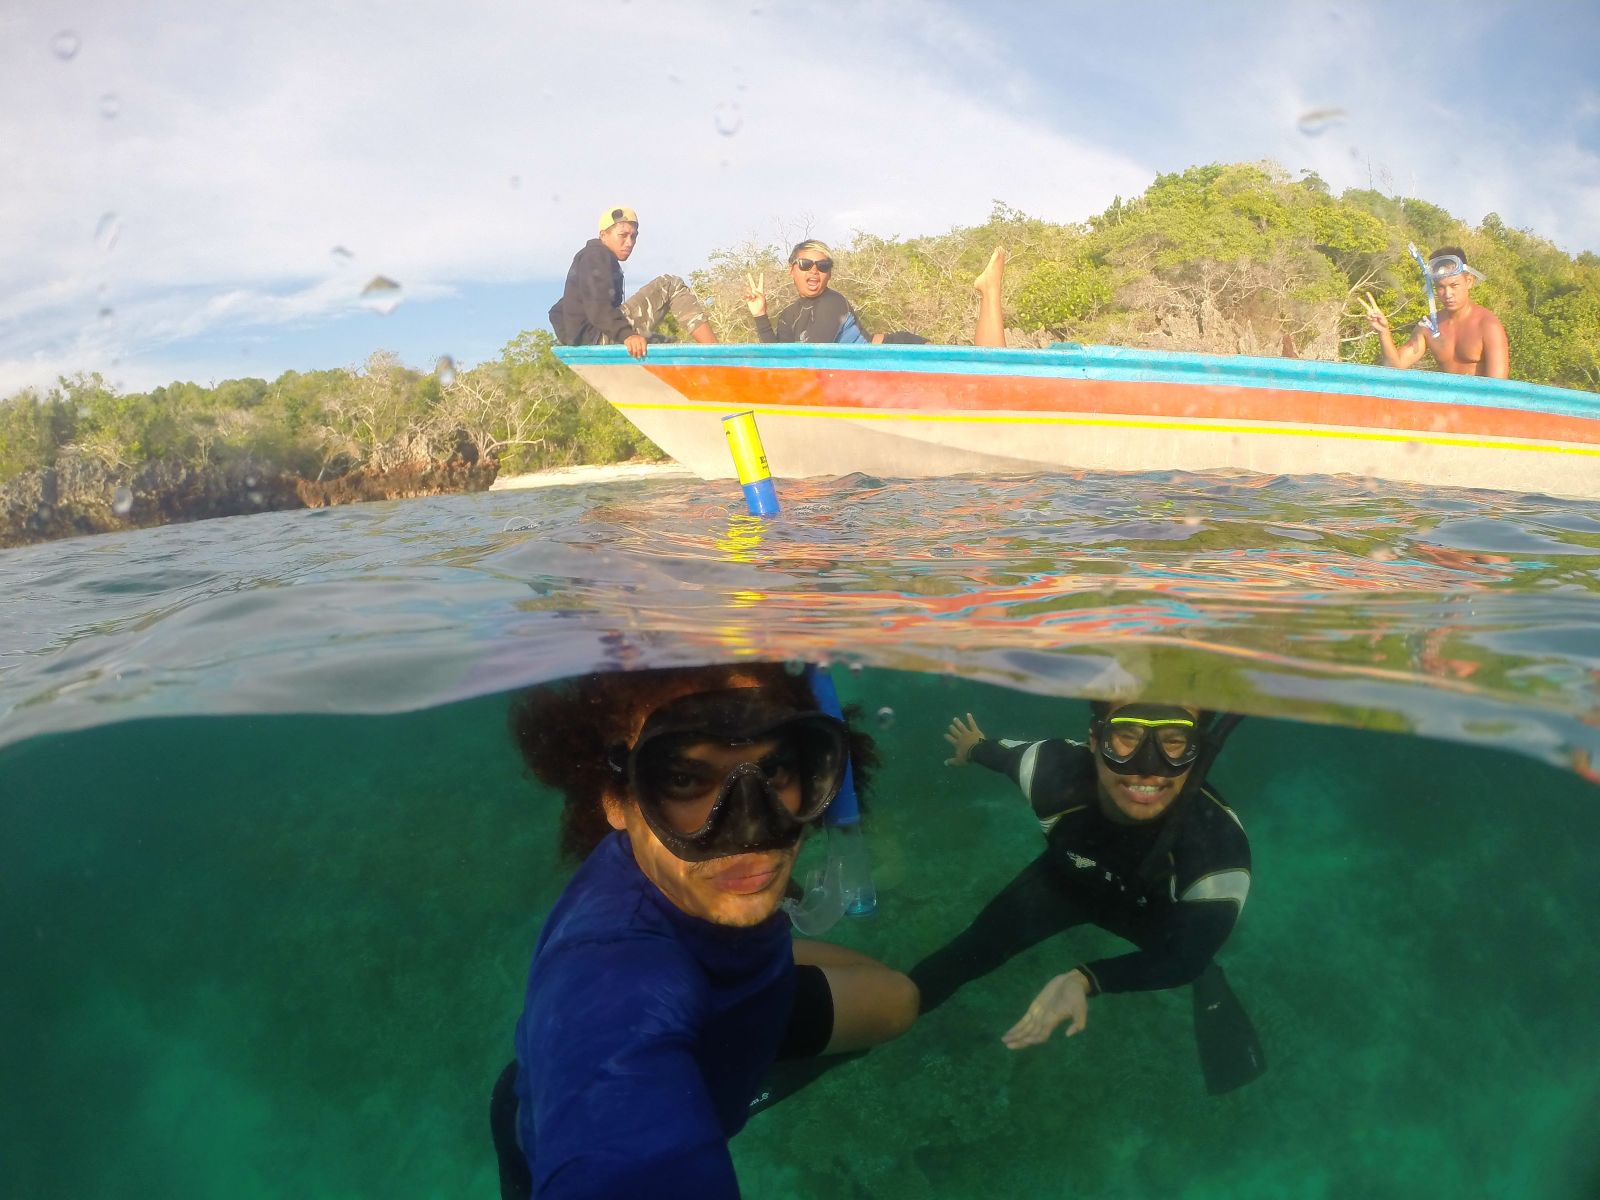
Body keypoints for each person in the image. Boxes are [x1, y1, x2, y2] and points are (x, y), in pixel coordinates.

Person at [492, 663, 917, 1200]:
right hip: (538, 1126)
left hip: (733, 999)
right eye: (684, 779)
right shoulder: (611, 984)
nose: (749, 830)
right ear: (614, 800)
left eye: (777, 767)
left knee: (898, 1000)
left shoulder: (668, 868)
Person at [911, 699, 1263, 1094]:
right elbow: (999, 754)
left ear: (1198, 753)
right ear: (1094, 740)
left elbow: (1183, 960)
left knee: (1194, 959)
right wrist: (974, 747)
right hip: (1066, 882)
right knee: (969, 953)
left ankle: (1211, 979)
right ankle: (862, 1025)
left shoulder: (1219, 851)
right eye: (1126, 737)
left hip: (1149, 915)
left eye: (1174, 741)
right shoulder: (1052, 769)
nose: (1148, 766)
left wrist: (1087, 979)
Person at [743, 240, 1008, 347]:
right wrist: (761, 316)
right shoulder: (790, 315)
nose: (814, 272)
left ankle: (990, 289)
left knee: (987, 370)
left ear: (830, 274)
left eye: (823, 266)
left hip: (898, 352)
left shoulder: (832, 303)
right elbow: (777, 359)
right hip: (880, 369)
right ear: (792, 270)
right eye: (805, 265)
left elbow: (811, 355)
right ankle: (988, 289)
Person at [548, 205, 719, 359]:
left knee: (664, 344)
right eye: (623, 235)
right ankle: (715, 353)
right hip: (600, 338)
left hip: (594, 338)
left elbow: (557, 310)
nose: (629, 242)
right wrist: (625, 334)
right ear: (603, 235)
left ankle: (695, 366)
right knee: (670, 284)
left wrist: (572, 340)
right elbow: (597, 307)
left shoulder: (592, 259)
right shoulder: (596, 256)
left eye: (634, 236)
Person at [1359, 246, 1509, 378]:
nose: (1447, 293)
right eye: (1440, 287)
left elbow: (1498, 389)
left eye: (1454, 285)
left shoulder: (1488, 325)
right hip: (1445, 407)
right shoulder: (1429, 326)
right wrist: (1383, 332)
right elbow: (1395, 367)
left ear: (1468, 281)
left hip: (1479, 407)